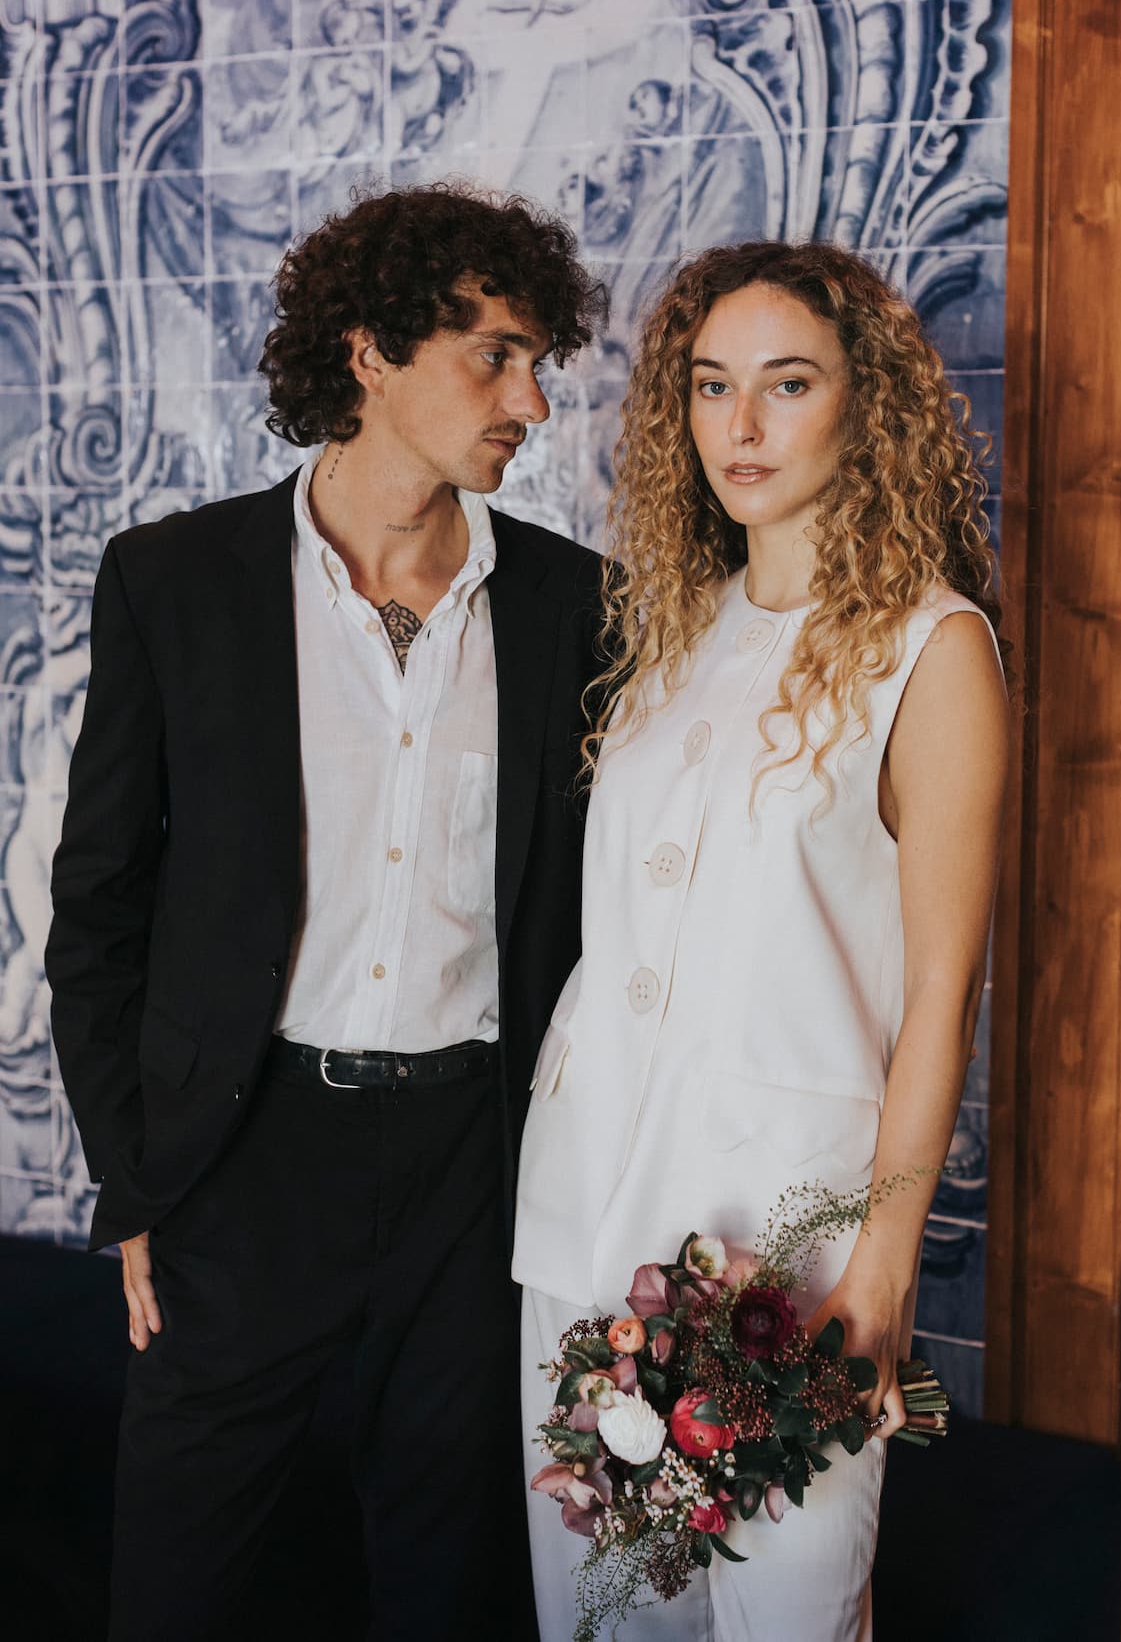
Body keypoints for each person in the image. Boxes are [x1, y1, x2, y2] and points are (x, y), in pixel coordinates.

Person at [46, 182, 608, 1642]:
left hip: (471, 1164)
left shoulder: (572, 607)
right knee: (181, 1582)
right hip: (247, 1153)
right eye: (494, 354)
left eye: (540, 361)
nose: (530, 401)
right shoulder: (175, 581)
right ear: (368, 353)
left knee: (446, 1581)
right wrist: (141, 1176)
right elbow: (98, 905)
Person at [513, 240, 1009, 1641]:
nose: (741, 424)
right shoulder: (663, 638)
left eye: (785, 384)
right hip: (586, 1218)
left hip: (785, 1254)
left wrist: (883, 1267)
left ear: (864, 403)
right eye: (711, 386)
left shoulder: (934, 647)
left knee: (788, 1618)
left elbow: (938, 1000)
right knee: (597, 1614)